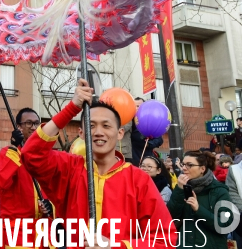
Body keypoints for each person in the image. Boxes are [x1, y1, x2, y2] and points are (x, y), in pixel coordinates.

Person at [21, 79, 178, 247]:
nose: (98, 132)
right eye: (91, 126)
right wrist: (71, 108)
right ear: (81, 133)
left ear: (119, 133)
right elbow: (31, 154)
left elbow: (165, 239)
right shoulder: (69, 168)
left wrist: (116, 245)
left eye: (106, 126)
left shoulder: (138, 179)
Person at [0, 107, 49, 248]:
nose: (34, 127)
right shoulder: (8, 153)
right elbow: (0, 181)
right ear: (18, 127)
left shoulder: (44, 155)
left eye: (37, 123)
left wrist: (50, 205)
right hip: (17, 233)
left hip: (42, 232)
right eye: (29, 123)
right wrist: (14, 148)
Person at [168, 150, 232, 249]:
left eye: (189, 165)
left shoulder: (219, 191)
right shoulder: (182, 188)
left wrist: (199, 209)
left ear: (202, 168)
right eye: (183, 164)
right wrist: (179, 190)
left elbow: (225, 225)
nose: (184, 168)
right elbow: (170, 217)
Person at [131, 97, 164, 166]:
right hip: (130, 159)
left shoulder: (150, 121)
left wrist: (149, 144)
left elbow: (159, 139)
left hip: (145, 159)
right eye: (134, 106)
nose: (136, 108)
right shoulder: (127, 121)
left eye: (138, 106)